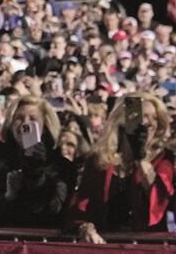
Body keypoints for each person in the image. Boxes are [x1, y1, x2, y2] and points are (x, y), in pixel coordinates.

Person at [67, 92, 173, 244]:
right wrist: (85, 226)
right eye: (144, 116)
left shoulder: (164, 159)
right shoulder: (99, 160)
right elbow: (81, 206)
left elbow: (161, 199)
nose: (150, 123)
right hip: (107, 244)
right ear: (124, 119)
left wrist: (140, 157)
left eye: (155, 118)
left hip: (149, 245)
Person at [0, 94, 77, 229]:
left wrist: (36, 175)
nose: (25, 124)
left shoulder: (61, 166)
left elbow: (55, 210)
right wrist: (8, 197)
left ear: (44, 126)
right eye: (19, 118)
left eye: (33, 119)